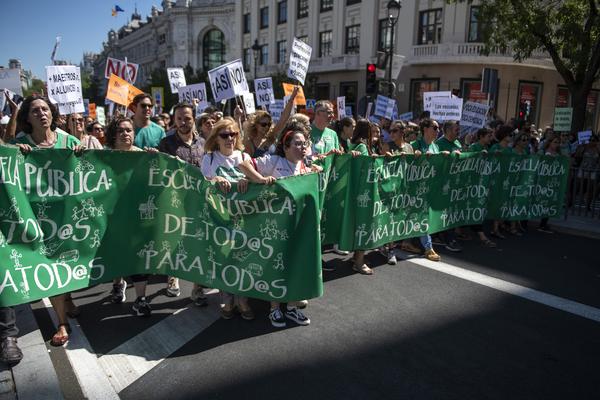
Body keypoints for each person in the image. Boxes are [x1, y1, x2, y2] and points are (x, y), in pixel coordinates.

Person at [12, 96, 83, 346]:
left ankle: (69, 299)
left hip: (67, 214)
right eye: (35, 111)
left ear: (52, 113)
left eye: (45, 109)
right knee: (50, 264)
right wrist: (15, 154)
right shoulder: (19, 144)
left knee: (67, 260)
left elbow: (89, 167)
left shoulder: (69, 140)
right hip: (37, 217)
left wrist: (81, 152)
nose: (42, 113)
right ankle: (61, 322)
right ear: (27, 118)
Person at [239, 129, 321, 327]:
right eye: (297, 144)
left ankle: (292, 308)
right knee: (275, 265)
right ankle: (274, 309)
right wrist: (258, 178)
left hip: (299, 227)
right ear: (286, 147)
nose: (303, 148)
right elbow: (243, 164)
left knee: (297, 264)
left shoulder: (307, 166)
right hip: (274, 227)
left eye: (305, 144)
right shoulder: (274, 162)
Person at [200, 117, 254, 320]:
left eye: (233, 134)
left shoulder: (244, 156)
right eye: (224, 135)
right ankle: (227, 297)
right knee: (224, 258)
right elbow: (202, 183)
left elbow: (255, 179)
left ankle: (243, 299)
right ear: (216, 138)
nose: (229, 138)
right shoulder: (209, 158)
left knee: (243, 258)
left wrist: (246, 178)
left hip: (244, 218)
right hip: (220, 218)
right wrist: (215, 179)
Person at [158, 103, 207, 303]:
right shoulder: (166, 143)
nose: (183, 122)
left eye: (187, 118)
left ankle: (197, 288)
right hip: (175, 199)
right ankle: (172, 278)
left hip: (200, 200)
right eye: (179, 118)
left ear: (193, 118)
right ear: (174, 120)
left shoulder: (204, 142)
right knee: (174, 240)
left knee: (198, 241)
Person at [105, 117, 154, 316]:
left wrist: (155, 159)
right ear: (113, 136)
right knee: (116, 252)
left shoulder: (142, 155)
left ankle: (141, 299)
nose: (126, 134)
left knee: (139, 255)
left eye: (129, 130)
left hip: (137, 215)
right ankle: (118, 282)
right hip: (112, 214)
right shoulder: (103, 156)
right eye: (121, 131)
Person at [414, 118, 462, 253]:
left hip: (433, 187)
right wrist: (416, 155)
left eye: (438, 128)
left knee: (427, 215)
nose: (438, 131)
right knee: (422, 215)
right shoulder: (416, 144)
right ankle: (428, 247)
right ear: (425, 129)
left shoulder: (435, 146)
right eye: (435, 128)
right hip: (418, 188)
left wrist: (443, 156)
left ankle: (414, 241)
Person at [310, 100, 345, 261]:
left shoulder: (332, 134)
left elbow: (339, 156)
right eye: (328, 112)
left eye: (332, 112)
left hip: (329, 184)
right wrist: (322, 157)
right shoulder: (306, 132)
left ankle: (326, 248)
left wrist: (343, 154)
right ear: (318, 113)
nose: (332, 115)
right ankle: (313, 256)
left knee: (328, 215)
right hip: (311, 184)